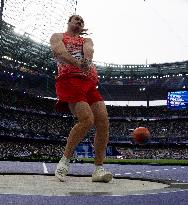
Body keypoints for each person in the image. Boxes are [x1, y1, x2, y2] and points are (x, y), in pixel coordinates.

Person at [50, 14, 112, 183]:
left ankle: (98, 169)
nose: (79, 21)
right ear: (69, 22)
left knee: (103, 122)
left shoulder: (86, 40)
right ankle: (64, 162)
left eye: (82, 21)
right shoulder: (58, 36)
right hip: (69, 79)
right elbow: (59, 52)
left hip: (89, 82)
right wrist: (79, 64)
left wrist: (86, 60)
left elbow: (89, 50)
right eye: (76, 19)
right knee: (87, 120)